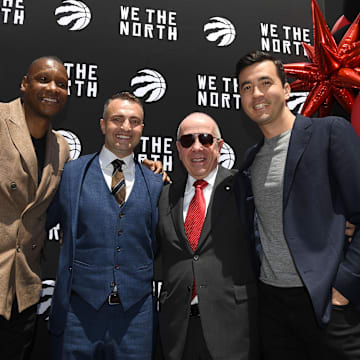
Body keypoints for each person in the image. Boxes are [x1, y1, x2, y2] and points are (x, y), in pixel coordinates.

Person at [236, 50, 360, 359]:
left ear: (287, 89)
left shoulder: (329, 133)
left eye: (265, 82)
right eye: (247, 87)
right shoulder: (250, 159)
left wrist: (344, 285)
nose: (257, 94)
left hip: (327, 306)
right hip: (273, 308)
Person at [47, 92, 163, 360]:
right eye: (117, 119)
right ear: (102, 125)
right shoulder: (72, 174)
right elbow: (39, 222)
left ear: (142, 130)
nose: (125, 128)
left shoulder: (156, 183)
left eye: (134, 121)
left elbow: (158, 243)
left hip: (136, 317)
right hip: (79, 313)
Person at [155, 112, 259, 360]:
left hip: (234, 328)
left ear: (220, 146)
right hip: (177, 331)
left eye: (205, 139)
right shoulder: (163, 195)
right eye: (188, 141)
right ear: (179, 149)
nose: (197, 147)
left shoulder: (244, 188)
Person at [0, 56, 70, 360]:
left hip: (23, 292)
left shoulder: (61, 147)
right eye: (43, 79)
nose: (52, 88)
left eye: (61, 84)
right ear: (24, 84)